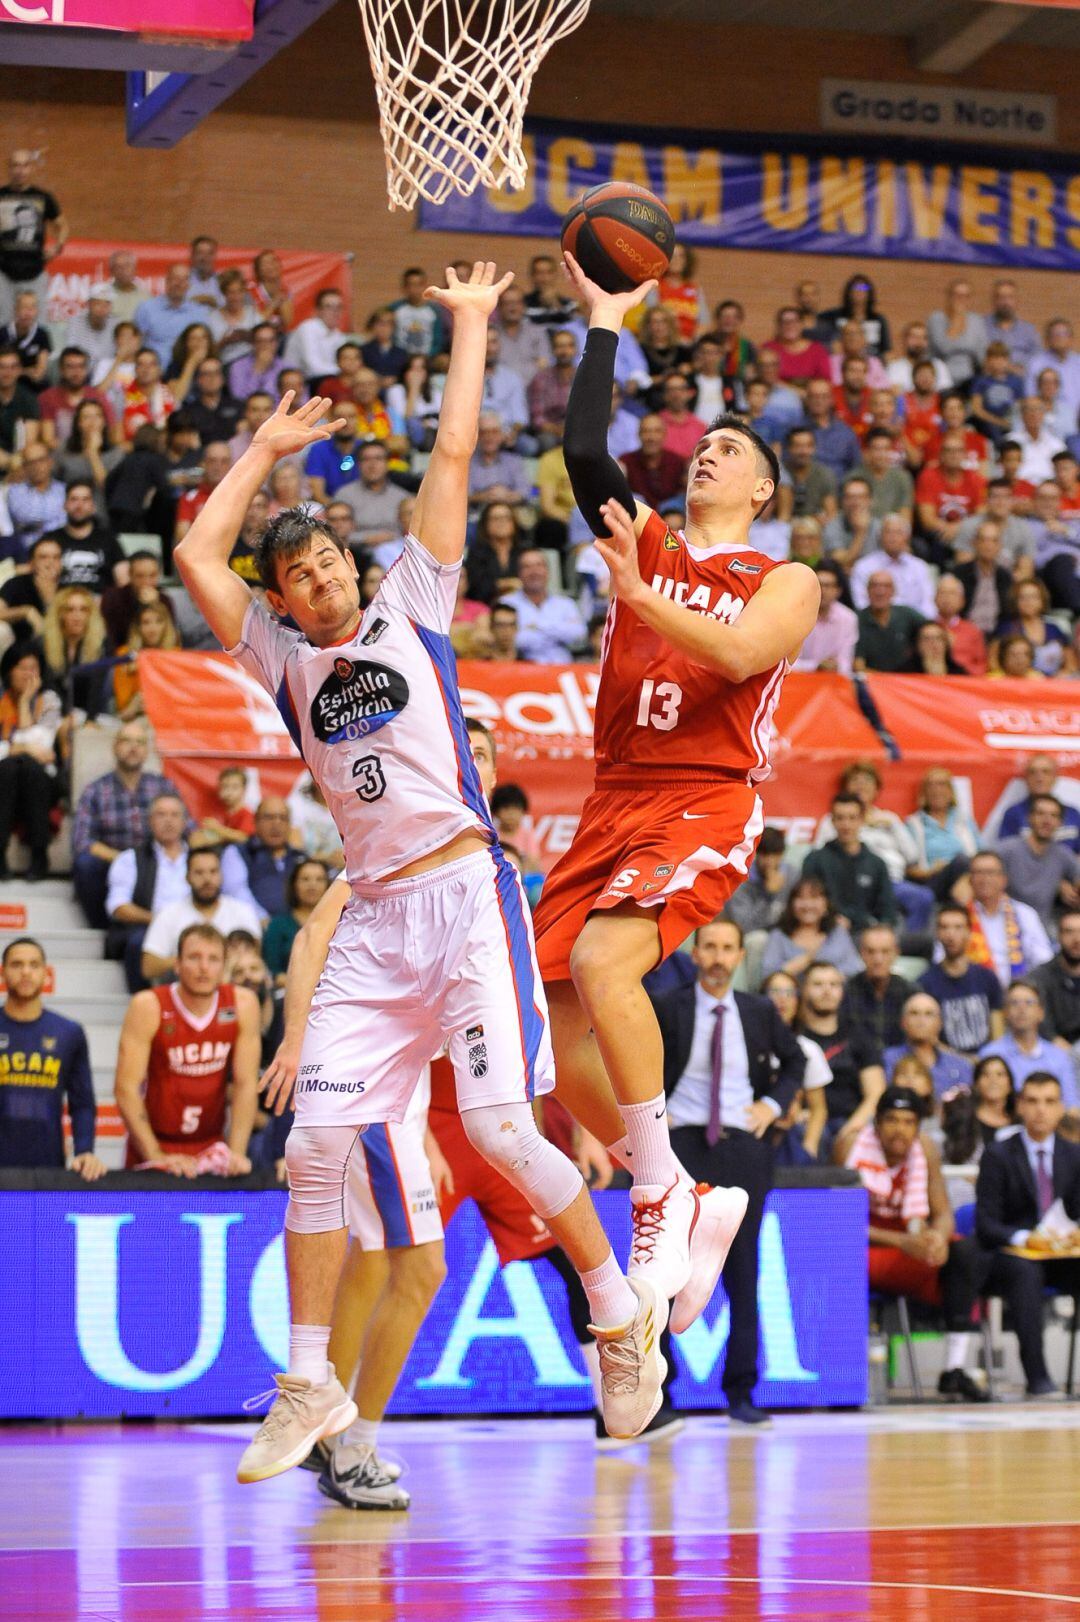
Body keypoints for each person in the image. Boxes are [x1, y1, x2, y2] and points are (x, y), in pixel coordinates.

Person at [174, 265, 670, 1476]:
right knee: (310, 1149)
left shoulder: (411, 600)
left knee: (502, 1123)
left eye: (333, 561)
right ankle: (306, 1383)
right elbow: (197, 552)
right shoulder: (284, 661)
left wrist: (471, 322)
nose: (325, 578)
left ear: (354, 562)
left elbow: (449, 459)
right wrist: (266, 445)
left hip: (466, 892)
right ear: (283, 599)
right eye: (301, 576)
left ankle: (617, 1311)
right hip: (376, 917)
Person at [526, 251, 818, 1327]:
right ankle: (685, 1189)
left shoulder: (785, 576)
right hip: (615, 795)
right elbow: (577, 445)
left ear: (764, 490)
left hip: (704, 792)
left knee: (609, 959)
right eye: (705, 446)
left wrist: (641, 596)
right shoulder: (641, 535)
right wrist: (607, 318)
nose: (711, 456)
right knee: (549, 1032)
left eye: (732, 451)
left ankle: (660, 1191)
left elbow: (741, 659)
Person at [652, 920, 803, 1425]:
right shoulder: (668, 1005)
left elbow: (796, 1062)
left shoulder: (759, 1011)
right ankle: (661, 1392)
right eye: (709, 947)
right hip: (681, 1145)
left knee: (743, 1269)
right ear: (695, 954)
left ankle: (740, 1392)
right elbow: (636, 1060)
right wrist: (654, 1111)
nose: (718, 958)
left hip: (742, 1148)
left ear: (741, 955)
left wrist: (771, 1105)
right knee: (667, 1267)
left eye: (727, 949)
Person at [949, 1073, 1080, 1396]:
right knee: (1026, 1272)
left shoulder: (1074, 1155)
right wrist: (1026, 1239)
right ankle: (1039, 1379)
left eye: (1049, 1102)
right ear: (1020, 1106)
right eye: (1033, 1101)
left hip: (1062, 1255)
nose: (1041, 1110)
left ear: (1060, 1107)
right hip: (1010, 1256)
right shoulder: (998, 1154)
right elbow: (987, 1223)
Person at [114, 923, 260, 1175]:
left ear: (224, 966)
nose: (204, 967)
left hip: (211, 1146)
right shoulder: (148, 1006)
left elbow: (246, 1083)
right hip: (154, 1143)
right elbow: (126, 1088)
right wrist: (156, 1156)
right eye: (194, 957)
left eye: (213, 959)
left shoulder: (243, 1003)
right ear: (177, 964)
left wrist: (236, 1152)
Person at [0, 936, 103, 1178]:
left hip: (48, 1167)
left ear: (46, 973)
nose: (26, 972)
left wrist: (85, 1150)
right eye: (17, 965)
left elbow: (82, 1103)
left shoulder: (69, 1032)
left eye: (34, 965)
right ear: (3, 973)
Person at [71, 724, 183, 926]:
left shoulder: (163, 787)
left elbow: (188, 830)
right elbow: (82, 841)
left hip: (157, 864)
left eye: (140, 742)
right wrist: (126, 860)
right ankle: (103, 926)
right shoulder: (96, 790)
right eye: (127, 741)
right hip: (113, 863)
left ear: (147, 750)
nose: (133, 747)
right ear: (115, 747)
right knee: (85, 864)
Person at [140, 847, 264, 982]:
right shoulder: (169, 913)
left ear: (222, 875)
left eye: (213, 871)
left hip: (235, 993)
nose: (207, 879)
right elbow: (148, 967)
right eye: (199, 873)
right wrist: (189, 959)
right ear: (187, 877)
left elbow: (257, 959)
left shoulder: (243, 911)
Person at [797, 960, 886, 1143]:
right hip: (806, 1121)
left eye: (834, 984)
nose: (827, 990)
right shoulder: (793, 1037)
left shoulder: (859, 1035)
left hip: (852, 1122)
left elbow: (875, 1093)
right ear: (804, 990)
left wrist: (850, 1130)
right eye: (818, 984)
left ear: (842, 991)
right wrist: (797, 1114)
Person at [0, 644, 61, 881]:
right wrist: (24, 747)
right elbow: (31, 746)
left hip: (42, 780)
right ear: (8, 671)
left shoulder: (49, 700)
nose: (28, 674)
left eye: (33, 668)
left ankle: (39, 853)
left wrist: (25, 702)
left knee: (29, 768)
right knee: (8, 768)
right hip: (4, 778)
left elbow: (42, 742)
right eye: (22, 668)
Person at [802, 793, 897, 933]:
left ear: (862, 820)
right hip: (826, 932)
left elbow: (887, 913)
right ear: (832, 821)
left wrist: (872, 929)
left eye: (852, 818)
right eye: (840, 818)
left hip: (866, 936)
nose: (846, 825)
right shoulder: (815, 860)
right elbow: (807, 903)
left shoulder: (877, 864)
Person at [919, 904, 1004, 1056]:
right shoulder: (925, 983)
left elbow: (997, 1034)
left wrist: (986, 1063)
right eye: (945, 927)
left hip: (986, 1064)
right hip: (946, 1065)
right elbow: (929, 1038)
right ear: (937, 933)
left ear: (969, 932)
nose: (951, 935)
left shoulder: (987, 978)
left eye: (958, 927)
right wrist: (964, 1061)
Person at [963, 850, 1053, 990]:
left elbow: (1043, 959)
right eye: (978, 873)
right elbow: (942, 958)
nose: (984, 879)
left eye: (990, 872)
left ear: (1004, 880)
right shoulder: (960, 916)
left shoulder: (1024, 913)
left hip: (1018, 994)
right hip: (973, 993)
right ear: (970, 880)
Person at [977, 982, 1078, 1105]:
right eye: (1014, 1003)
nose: (1022, 1009)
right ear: (1005, 1013)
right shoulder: (990, 1055)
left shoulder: (1059, 1057)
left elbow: (1072, 1106)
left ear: (1041, 1012)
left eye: (1029, 1002)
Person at [0, 149, 67, 325]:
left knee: (38, 323)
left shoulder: (43, 197)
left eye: (25, 165)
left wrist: (57, 246)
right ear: (9, 169)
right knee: (3, 324)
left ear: (31, 169)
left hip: (35, 272)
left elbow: (62, 225)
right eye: (15, 165)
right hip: (3, 273)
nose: (20, 170)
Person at [759, 876, 863, 984]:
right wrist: (805, 960)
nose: (807, 905)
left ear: (826, 904)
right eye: (801, 898)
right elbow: (768, 978)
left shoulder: (837, 933)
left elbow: (856, 969)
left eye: (814, 898)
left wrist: (827, 979)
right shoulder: (778, 936)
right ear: (791, 904)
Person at [997, 795, 1080, 924]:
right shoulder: (1006, 850)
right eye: (1040, 814)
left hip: (1043, 927)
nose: (1047, 821)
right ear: (1029, 818)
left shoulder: (1063, 855)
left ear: (1060, 822)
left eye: (1053, 816)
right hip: (1006, 922)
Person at [498, 547, 585, 663]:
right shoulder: (506, 603)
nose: (534, 571)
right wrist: (559, 633)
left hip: (562, 669)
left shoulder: (566, 603)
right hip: (521, 670)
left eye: (539, 565)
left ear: (547, 571)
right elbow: (508, 640)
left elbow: (579, 635)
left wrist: (537, 627)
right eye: (527, 567)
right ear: (519, 573)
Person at [882, 992, 972, 1096]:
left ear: (940, 1023)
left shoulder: (960, 1066)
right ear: (903, 1022)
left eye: (928, 1014)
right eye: (914, 1013)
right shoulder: (886, 1060)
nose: (921, 1021)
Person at [989, 753, 1080, 851]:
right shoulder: (1014, 814)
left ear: (1055, 777)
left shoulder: (1072, 814)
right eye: (1033, 772)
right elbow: (1006, 853)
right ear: (1025, 778)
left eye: (1045, 772)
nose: (1039, 778)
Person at [849, 514, 934, 618]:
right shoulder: (863, 566)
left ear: (907, 536)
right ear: (880, 536)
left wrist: (921, 623)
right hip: (876, 623)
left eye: (898, 533)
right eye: (888, 532)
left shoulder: (920, 567)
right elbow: (861, 603)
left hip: (914, 626)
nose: (893, 537)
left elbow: (928, 602)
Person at [262, 858, 332, 985]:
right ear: (294, 884)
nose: (312, 885)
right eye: (305, 879)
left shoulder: (339, 921)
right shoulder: (278, 924)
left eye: (319, 879)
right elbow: (273, 972)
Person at [841, 924, 909, 1049]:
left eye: (885, 951)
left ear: (896, 953)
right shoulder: (845, 991)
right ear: (861, 953)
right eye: (871, 951)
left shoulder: (910, 992)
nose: (878, 959)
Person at [723, 824, 793, 937]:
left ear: (782, 854)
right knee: (758, 939)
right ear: (755, 853)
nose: (769, 861)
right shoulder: (740, 880)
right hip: (753, 936)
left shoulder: (792, 875)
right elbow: (744, 926)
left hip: (784, 935)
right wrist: (768, 895)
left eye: (775, 855)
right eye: (765, 855)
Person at [792, 561, 857, 675]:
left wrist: (834, 666)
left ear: (838, 591)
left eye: (828, 586)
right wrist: (816, 666)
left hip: (833, 681)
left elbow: (845, 663)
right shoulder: (795, 614)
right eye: (818, 584)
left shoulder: (848, 618)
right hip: (799, 681)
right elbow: (787, 663)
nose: (822, 590)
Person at [0, 531, 61, 652]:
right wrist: (26, 611)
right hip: (19, 647)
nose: (50, 563)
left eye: (56, 557)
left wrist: (48, 599)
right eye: (43, 557)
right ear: (31, 563)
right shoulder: (17, 583)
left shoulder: (68, 586)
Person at [1029, 908, 1080, 1049]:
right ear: (1058, 936)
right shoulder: (1039, 978)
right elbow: (1041, 1024)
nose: (1076, 939)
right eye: (1069, 931)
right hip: (1053, 1051)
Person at [6, 444, 66, 557]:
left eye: (40, 460)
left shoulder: (63, 490)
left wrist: (35, 526)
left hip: (61, 550)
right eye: (30, 463)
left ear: (50, 462)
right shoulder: (15, 491)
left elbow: (65, 521)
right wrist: (55, 517)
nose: (36, 466)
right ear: (24, 467)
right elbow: (25, 515)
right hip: (27, 552)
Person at [284, 288, 351, 386]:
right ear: (318, 311)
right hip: (299, 383)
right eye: (329, 307)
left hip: (325, 379)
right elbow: (313, 368)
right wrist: (345, 371)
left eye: (339, 307)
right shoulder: (308, 328)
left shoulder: (339, 335)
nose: (335, 312)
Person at [928, 279, 986, 390]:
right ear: (949, 297)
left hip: (970, 377)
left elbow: (981, 356)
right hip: (941, 376)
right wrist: (957, 319)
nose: (961, 300)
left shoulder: (976, 320)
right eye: (957, 295)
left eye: (965, 296)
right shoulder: (936, 318)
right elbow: (944, 348)